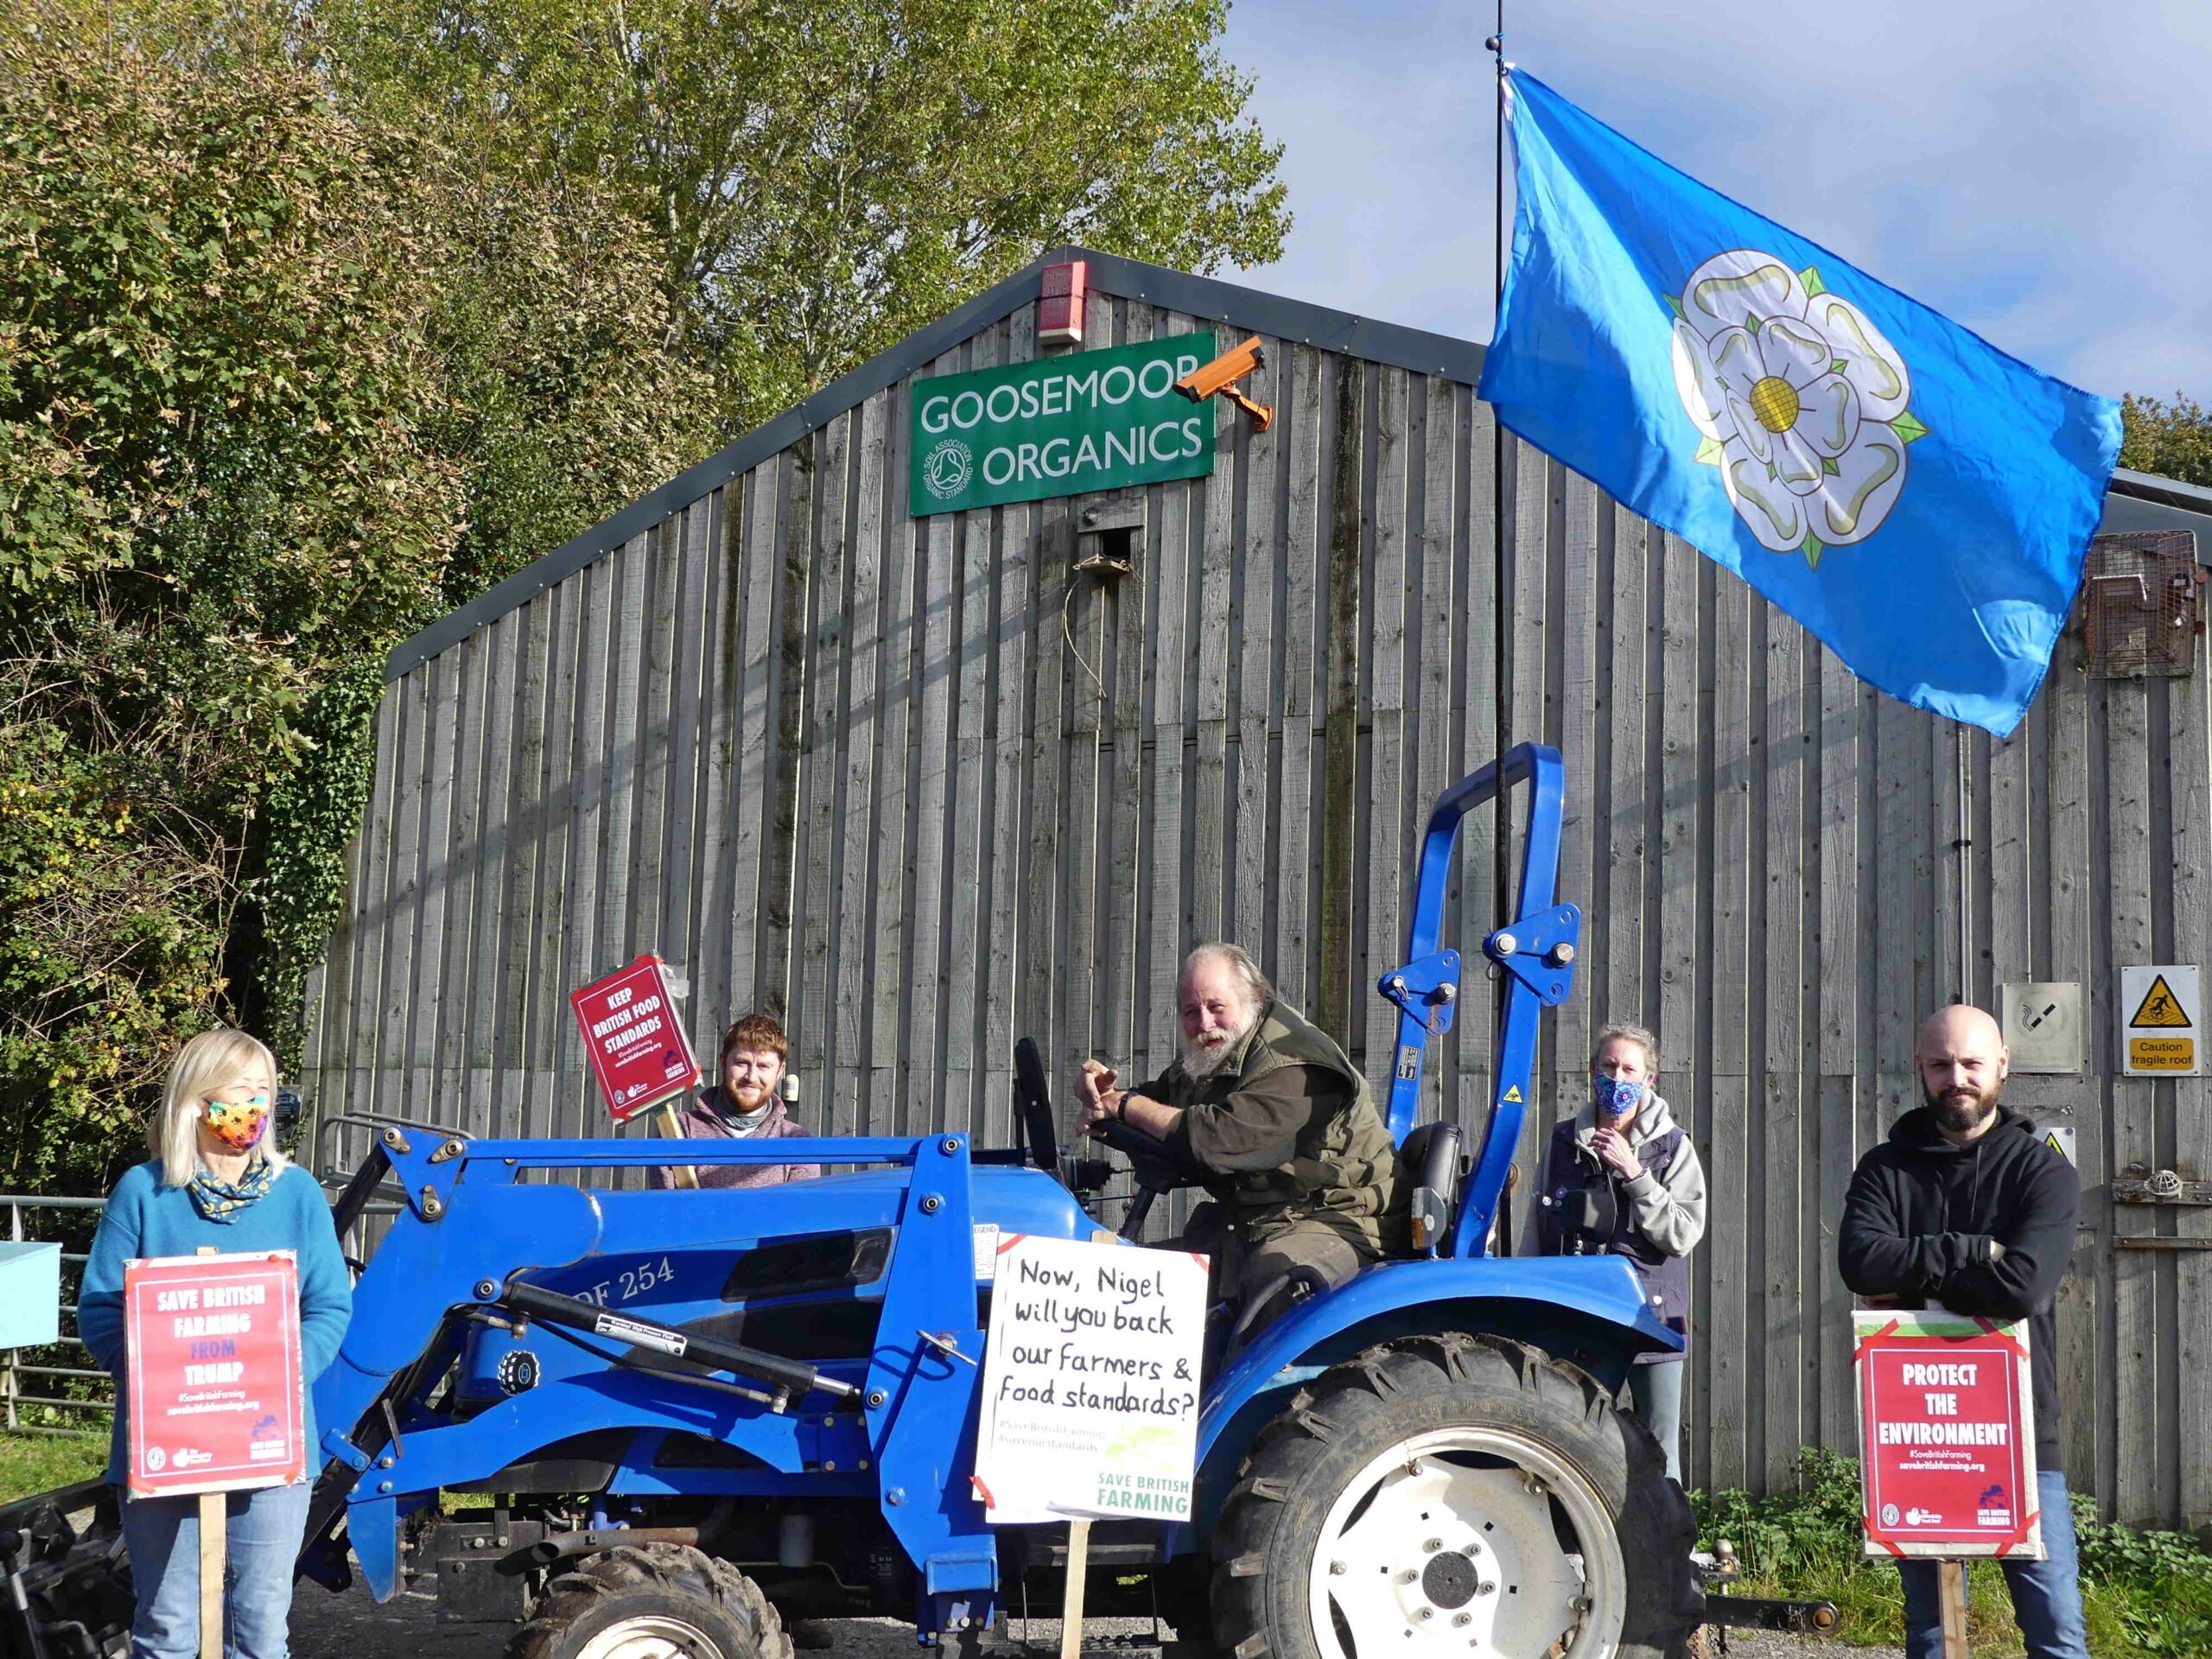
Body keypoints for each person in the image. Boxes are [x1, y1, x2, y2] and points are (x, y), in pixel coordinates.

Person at [77, 1027, 353, 1659]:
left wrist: (277, 1375)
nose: (254, 1107)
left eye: (264, 1091)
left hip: (271, 1446)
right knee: (167, 1627)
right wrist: (154, 1383)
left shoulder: (299, 1194)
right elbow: (99, 1307)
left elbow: (330, 1306)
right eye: (240, 1091)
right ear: (196, 1101)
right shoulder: (143, 1193)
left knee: (259, 1628)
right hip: (165, 1448)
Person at [1840, 1004, 2085, 1659]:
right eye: (1942, 1064)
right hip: (1917, 1436)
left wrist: (1916, 1275)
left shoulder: (2042, 1173)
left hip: (2022, 1434)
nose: (1958, 1078)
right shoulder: (1885, 1168)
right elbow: (1860, 1263)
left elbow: (2025, 1289)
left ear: (2003, 1065)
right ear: (1920, 1069)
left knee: (2056, 1630)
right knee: (1930, 1631)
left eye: (1973, 1063)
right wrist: (1975, 1251)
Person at [1076, 943, 1404, 1350]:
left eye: (1217, 1006)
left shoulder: (1295, 1062)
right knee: (1137, 1286)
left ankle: (1264, 1409)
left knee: (1275, 1286)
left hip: (1335, 1218)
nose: (1205, 1023)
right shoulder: (1213, 1056)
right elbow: (1158, 1103)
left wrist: (1126, 1105)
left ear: (1255, 1000)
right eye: (1191, 1012)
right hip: (1255, 1220)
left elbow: (1223, 1140)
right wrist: (1102, 1096)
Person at [1532, 1023, 1707, 1484]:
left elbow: (1684, 1234)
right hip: (1580, 1320)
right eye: (1608, 1066)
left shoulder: (1673, 1148)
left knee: (1659, 1445)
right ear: (1593, 1071)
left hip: (1653, 1320)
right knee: (1572, 1439)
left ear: (1649, 1080)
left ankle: (1669, 1551)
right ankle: (1574, 1549)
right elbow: (1537, 1233)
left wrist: (1635, 1173)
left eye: (1630, 1069)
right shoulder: (1563, 1142)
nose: (1617, 1077)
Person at [652, 1015, 822, 1191]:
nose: (751, 1077)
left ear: (780, 1071)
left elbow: (799, 1214)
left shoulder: (796, 1139)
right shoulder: (679, 1130)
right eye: (741, 1063)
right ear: (722, 1061)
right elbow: (666, 1211)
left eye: (764, 1066)